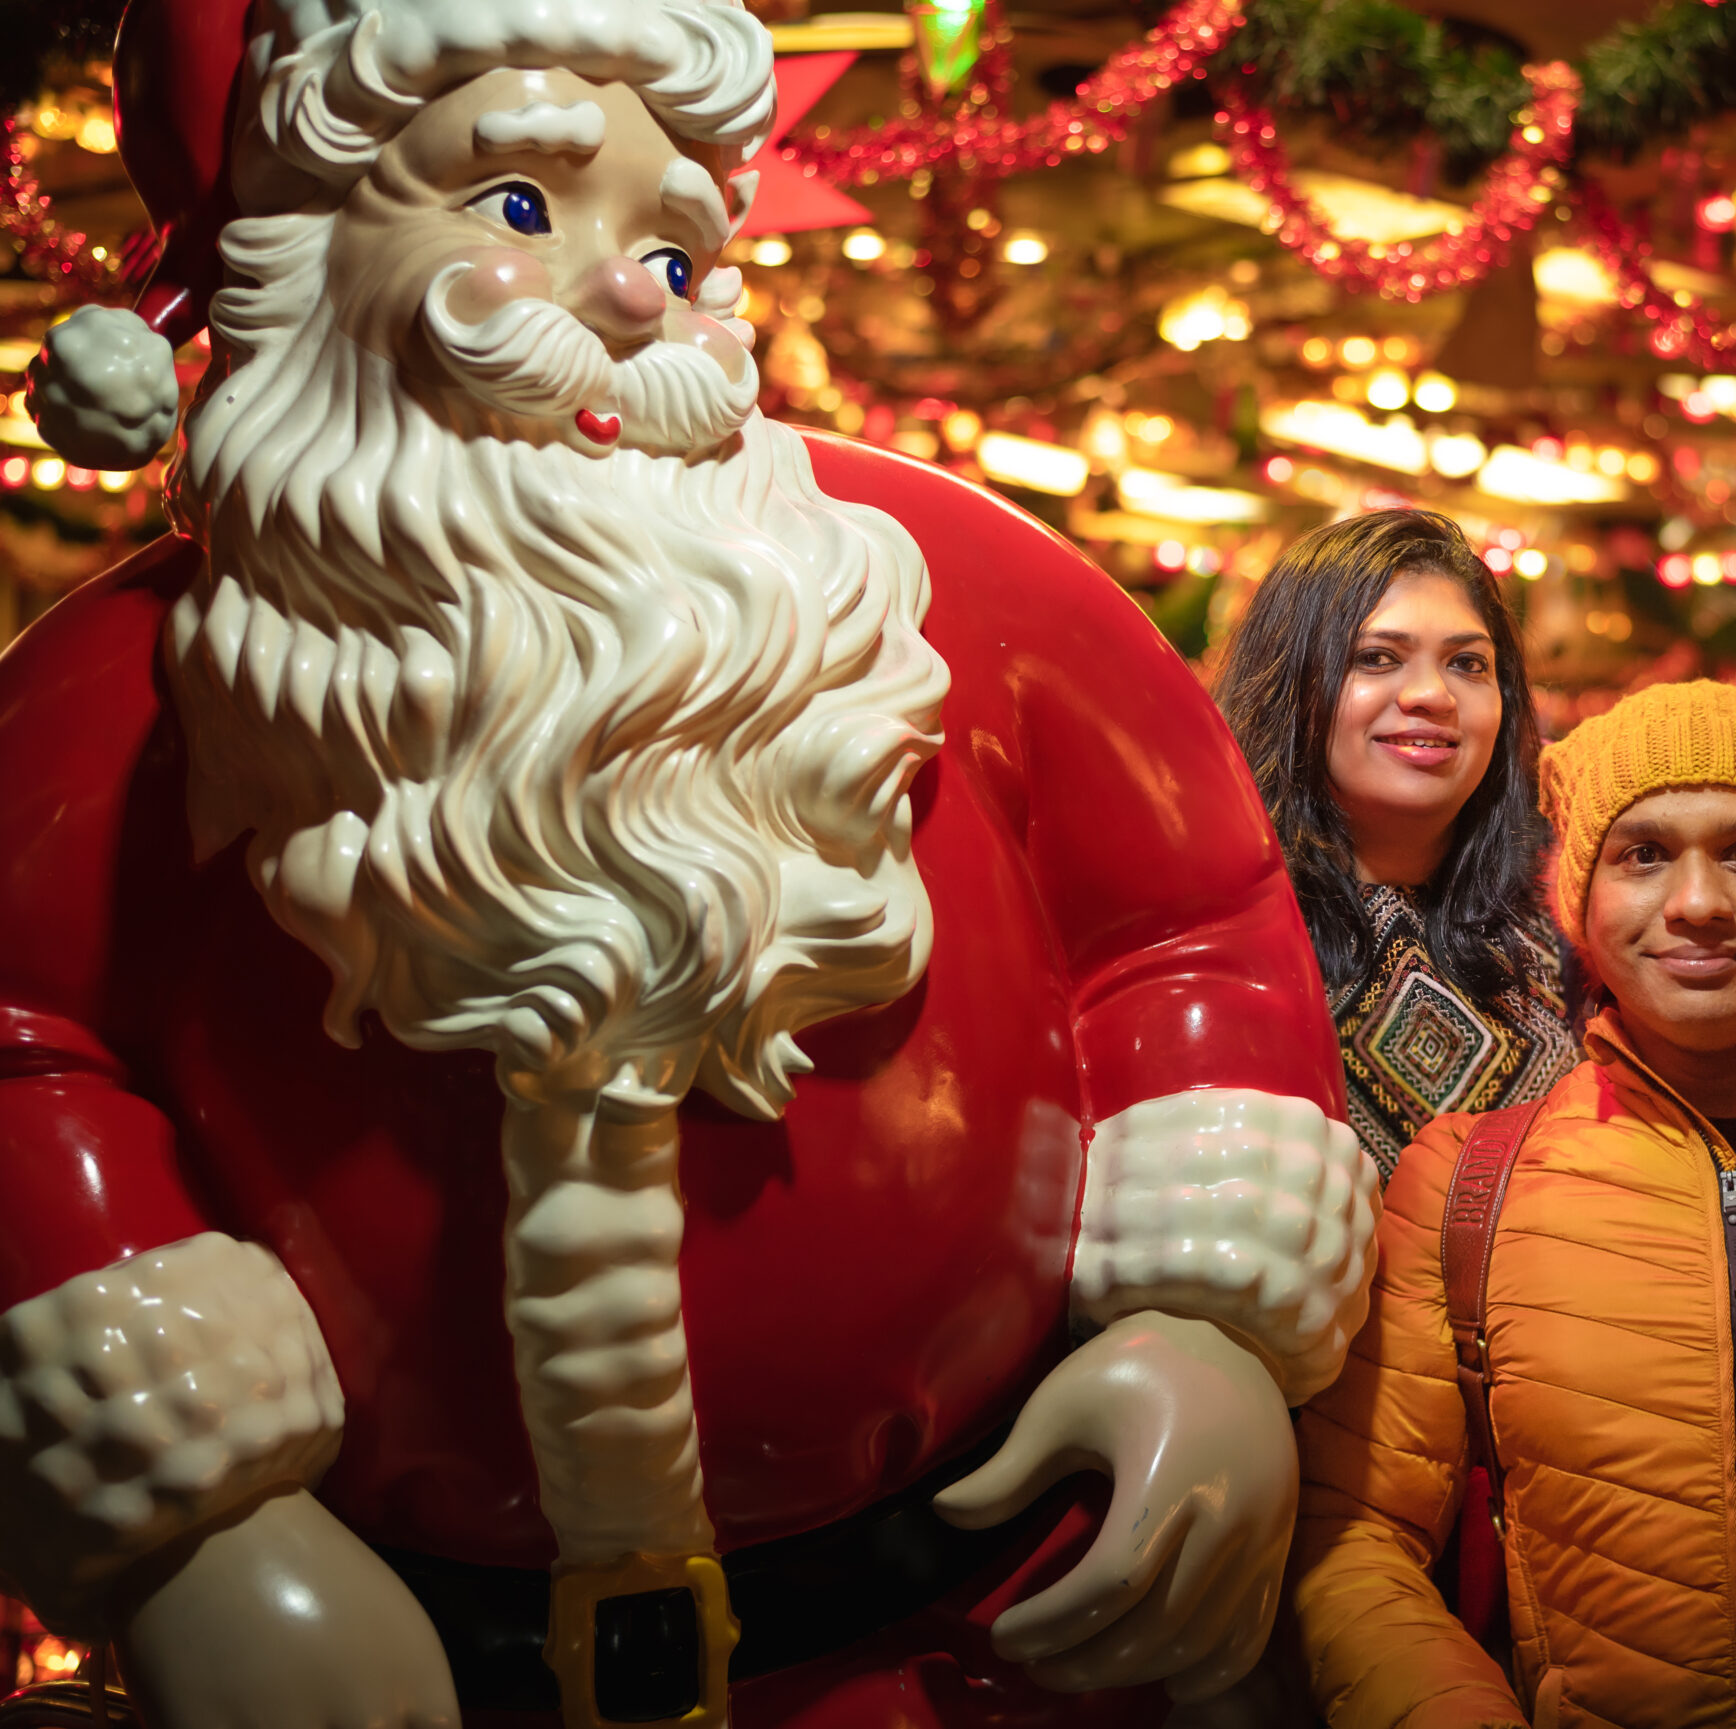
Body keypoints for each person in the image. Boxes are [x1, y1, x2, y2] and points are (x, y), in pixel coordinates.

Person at [0, 3, 1379, 1725]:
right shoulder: (122, 696)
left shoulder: (956, 590)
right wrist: (194, 1525)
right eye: (518, 206)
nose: (636, 290)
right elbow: (22, 1042)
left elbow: (1186, 923)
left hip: (944, 1634)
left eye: (674, 237)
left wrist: (1207, 1327)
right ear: (301, 259)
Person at [1285, 679, 1736, 1727]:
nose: (1697, 900)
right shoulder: (1468, 1187)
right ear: (1578, 899)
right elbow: (1352, 1537)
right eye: (1643, 853)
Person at [1216, 510, 1574, 1181]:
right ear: (1290, 683)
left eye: (1468, 663)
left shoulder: (1571, 923)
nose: (1431, 695)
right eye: (1376, 658)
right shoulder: (1208, 932)